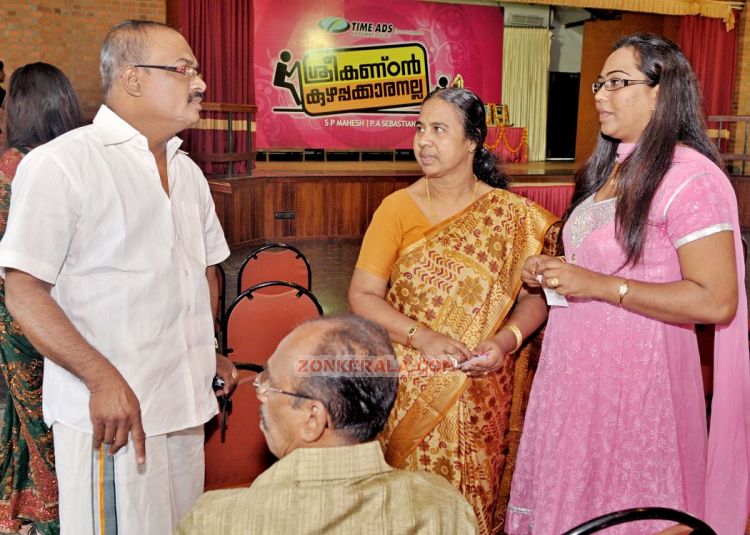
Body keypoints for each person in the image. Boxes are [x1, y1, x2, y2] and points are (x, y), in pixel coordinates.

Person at [506, 33, 749, 534]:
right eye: (601, 82)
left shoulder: (688, 177)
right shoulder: (610, 169)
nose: (600, 94)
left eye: (619, 82)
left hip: (638, 385)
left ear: (662, 91)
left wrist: (595, 284)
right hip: (573, 378)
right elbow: (594, 271)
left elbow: (716, 300)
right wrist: (549, 272)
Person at [0, 20, 237, 534]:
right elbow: (22, 289)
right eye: (183, 70)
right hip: (112, 418)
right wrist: (100, 377)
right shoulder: (62, 165)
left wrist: (209, 348)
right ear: (132, 79)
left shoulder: (190, 173)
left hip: (185, 405)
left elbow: (203, 274)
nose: (199, 83)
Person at [348, 87, 559, 534]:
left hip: (485, 388)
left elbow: (534, 297)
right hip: (411, 384)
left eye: (439, 129)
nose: (423, 140)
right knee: (411, 510)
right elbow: (363, 295)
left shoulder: (512, 217)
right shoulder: (396, 209)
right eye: (419, 128)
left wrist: (505, 342)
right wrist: (422, 337)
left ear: (472, 141)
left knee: (472, 511)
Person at [178, 315, 480, 534]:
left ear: (313, 419)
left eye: (270, 385)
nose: (260, 395)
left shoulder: (217, 521)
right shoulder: (443, 509)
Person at [0, 61, 83, 535]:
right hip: (71, 310)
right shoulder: (78, 158)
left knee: (34, 418)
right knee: (61, 412)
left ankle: (49, 513)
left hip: (21, 313)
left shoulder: (13, 165)